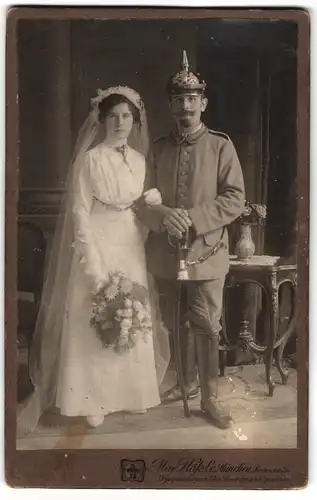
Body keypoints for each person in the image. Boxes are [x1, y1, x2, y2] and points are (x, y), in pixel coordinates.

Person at [17, 86, 170, 433]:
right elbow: (81, 213)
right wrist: (93, 262)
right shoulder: (91, 160)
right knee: (95, 309)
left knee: (131, 309)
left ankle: (132, 393)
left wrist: (151, 200)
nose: (120, 122)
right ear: (102, 120)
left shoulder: (140, 160)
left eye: (127, 116)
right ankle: (92, 399)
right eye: (113, 116)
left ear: (135, 120)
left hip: (130, 240)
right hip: (99, 238)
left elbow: (139, 206)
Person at [137, 51, 245, 429]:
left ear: (203, 103)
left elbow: (235, 198)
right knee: (171, 320)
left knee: (205, 323)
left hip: (205, 252)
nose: (186, 106)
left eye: (192, 99)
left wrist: (193, 218)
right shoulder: (159, 148)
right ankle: (181, 383)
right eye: (179, 99)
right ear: (170, 105)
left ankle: (210, 396)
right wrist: (166, 216)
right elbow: (142, 200)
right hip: (164, 253)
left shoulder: (220, 146)